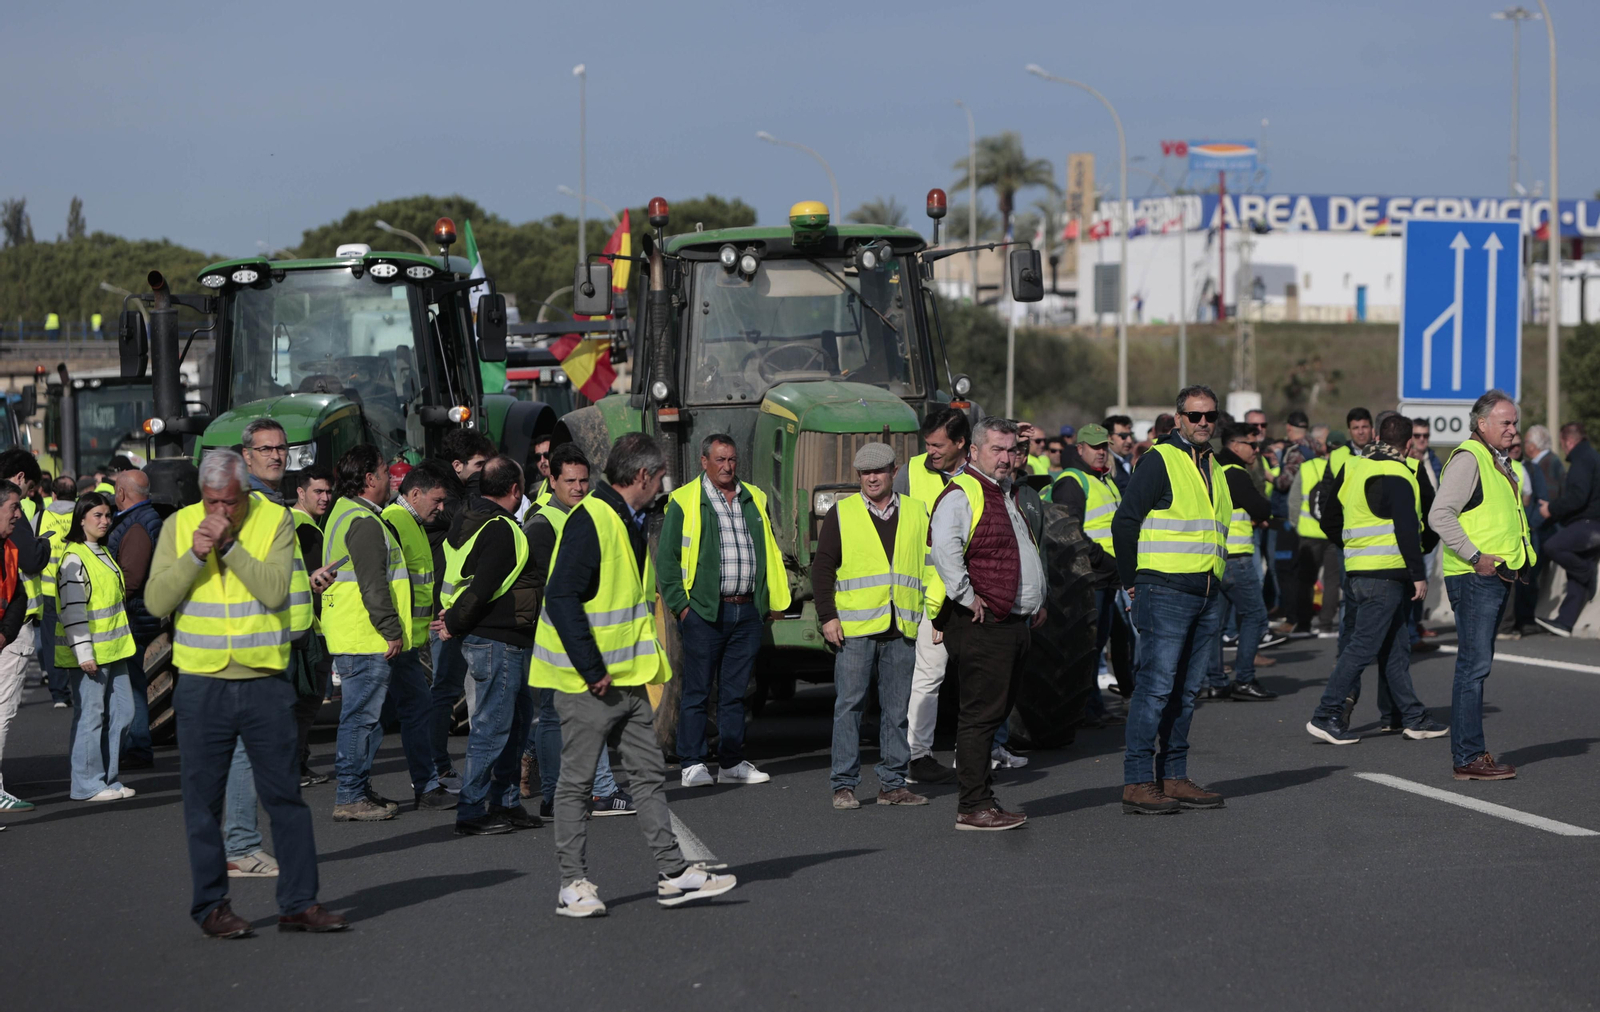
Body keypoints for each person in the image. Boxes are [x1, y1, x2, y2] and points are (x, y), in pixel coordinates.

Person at [534, 432, 738, 917]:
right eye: (661, 476)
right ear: (642, 476)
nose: (664, 484)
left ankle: (673, 873)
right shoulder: (593, 520)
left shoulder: (622, 518)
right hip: (588, 683)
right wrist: (592, 669)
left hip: (624, 679)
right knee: (576, 785)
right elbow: (560, 597)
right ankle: (572, 885)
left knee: (647, 777)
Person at [145, 449, 341, 937]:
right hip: (201, 683)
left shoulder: (274, 520)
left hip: (262, 681)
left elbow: (274, 591)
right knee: (202, 804)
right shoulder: (180, 525)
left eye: (229, 502)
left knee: (284, 797)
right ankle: (212, 907)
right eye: (211, 501)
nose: (219, 511)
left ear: (245, 492)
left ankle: (299, 903)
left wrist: (229, 546)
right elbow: (155, 600)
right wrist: (194, 555)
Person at [1112, 385, 1232, 815]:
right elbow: (1125, 523)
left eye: (1210, 415)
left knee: (1186, 692)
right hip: (1163, 589)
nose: (1203, 422)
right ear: (1178, 418)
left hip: (1206, 591)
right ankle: (1138, 781)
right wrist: (1132, 582)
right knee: (1156, 689)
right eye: (1195, 415)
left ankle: (1174, 776)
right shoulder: (1160, 459)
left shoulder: (1214, 465)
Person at [927, 416, 1044, 831]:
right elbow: (945, 548)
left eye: (1012, 450)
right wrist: (965, 596)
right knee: (979, 716)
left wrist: (1037, 599)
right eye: (997, 449)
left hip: (1012, 621)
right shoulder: (964, 492)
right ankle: (973, 806)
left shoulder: (1003, 492)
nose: (1006, 458)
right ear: (974, 451)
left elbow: (1018, 550)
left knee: (993, 715)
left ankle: (982, 800)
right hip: (984, 622)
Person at [1305, 414, 1448, 744]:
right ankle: (1326, 714)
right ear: (1408, 444)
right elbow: (1407, 528)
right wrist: (1418, 573)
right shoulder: (1399, 472)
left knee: (1396, 647)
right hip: (1385, 575)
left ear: (1377, 436)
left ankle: (1413, 717)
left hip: (1359, 572)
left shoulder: (1354, 467)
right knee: (1362, 647)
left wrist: (1355, 548)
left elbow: (1329, 519)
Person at [813, 442, 940, 810]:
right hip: (854, 629)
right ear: (858, 476)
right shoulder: (842, 513)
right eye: (865, 473)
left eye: (879, 471)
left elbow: (931, 566)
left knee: (897, 710)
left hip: (902, 626)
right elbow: (823, 568)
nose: (872, 478)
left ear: (893, 472)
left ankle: (893, 785)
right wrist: (827, 616)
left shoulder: (917, 511)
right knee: (849, 706)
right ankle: (843, 785)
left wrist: (937, 613)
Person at [659, 433, 790, 787]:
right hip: (704, 613)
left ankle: (731, 762)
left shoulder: (753, 497)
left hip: (746, 612)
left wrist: (764, 603)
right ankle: (692, 764)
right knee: (698, 691)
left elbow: (767, 551)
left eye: (731, 459)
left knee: (735, 693)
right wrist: (683, 609)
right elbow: (667, 561)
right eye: (720, 459)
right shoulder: (685, 500)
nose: (727, 466)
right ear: (704, 462)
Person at [316, 445, 431, 822]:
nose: (390, 480)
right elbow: (373, 585)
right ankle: (350, 794)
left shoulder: (348, 512)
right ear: (369, 479)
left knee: (368, 716)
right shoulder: (363, 521)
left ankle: (359, 790)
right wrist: (391, 630)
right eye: (384, 472)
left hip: (359, 633)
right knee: (361, 718)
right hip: (366, 636)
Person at [426, 456, 539, 834]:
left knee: (514, 724)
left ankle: (506, 803)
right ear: (515, 490)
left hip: (496, 638)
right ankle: (472, 810)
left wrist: (452, 620)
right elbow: (482, 587)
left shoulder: (468, 518)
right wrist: (453, 623)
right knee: (492, 728)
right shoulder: (499, 528)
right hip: (497, 640)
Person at [1428, 390, 1535, 781]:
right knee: (1472, 668)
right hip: (1476, 577)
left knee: (1475, 666)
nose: (1512, 430)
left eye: (1514, 423)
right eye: (1505, 422)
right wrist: (1475, 557)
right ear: (1482, 423)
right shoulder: (1470, 458)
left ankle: (1470, 754)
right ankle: (1468, 756)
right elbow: (1440, 515)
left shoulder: (1496, 460)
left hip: (1493, 576)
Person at [523, 444, 632, 818]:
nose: (579, 487)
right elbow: (546, 591)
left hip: (576, 634)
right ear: (551, 479)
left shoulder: (583, 516)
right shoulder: (544, 524)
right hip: (561, 636)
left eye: (584, 480)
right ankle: (592, 792)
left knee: (558, 716)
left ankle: (560, 795)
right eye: (570, 481)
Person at [895, 407, 970, 784]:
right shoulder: (910, 473)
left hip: (973, 594)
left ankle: (974, 754)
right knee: (929, 675)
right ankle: (917, 756)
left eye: (938, 445)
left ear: (961, 443)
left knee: (978, 677)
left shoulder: (979, 476)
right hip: (930, 596)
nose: (931, 452)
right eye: (927, 444)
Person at [425, 429, 498, 793]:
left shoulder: (456, 494)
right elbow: (466, 516)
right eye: (480, 465)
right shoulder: (442, 500)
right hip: (445, 612)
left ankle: (475, 768)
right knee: (446, 689)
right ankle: (438, 766)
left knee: (476, 689)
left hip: (465, 608)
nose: (486, 472)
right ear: (458, 466)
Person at [381, 463, 455, 810]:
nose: (441, 508)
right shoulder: (395, 522)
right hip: (398, 640)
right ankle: (425, 786)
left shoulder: (409, 522)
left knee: (387, 714)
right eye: (436, 500)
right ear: (414, 494)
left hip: (407, 638)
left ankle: (359, 789)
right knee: (413, 708)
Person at [56, 491, 138, 802]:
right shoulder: (75, 557)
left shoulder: (101, 551)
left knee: (124, 713)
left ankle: (108, 779)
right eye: (97, 516)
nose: (105, 521)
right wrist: (84, 654)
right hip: (92, 655)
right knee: (91, 718)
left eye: (107, 515)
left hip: (114, 650)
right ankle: (86, 784)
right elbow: (73, 611)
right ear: (81, 520)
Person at [1048, 424, 1124, 723]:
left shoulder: (1103, 479)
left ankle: (1093, 707)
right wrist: (1104, 560)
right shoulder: (1073, 481)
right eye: (1094, 446)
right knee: (1086, 647)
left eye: (1104, 446)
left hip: (1106, 577)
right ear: (1079, 449)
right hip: (1088, 578)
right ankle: (1085, 709)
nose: (1101, 451)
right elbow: (1072, 534)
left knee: (1096, 646)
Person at [1199, 424, 1280, 701]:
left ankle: (1215, 681)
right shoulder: (1235, 472)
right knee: (1256, 617)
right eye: (1252, 444)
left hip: (1216, 556)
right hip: (1236, 557)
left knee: (1215, 623)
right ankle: (1244, 679)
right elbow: (1261, 507)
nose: (1257, 450)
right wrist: (1261, 512)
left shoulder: (1213, 468)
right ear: (1235, 445)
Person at [106, 469, 162, 770]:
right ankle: (135, 744)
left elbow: (131, 578)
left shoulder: (136, 525)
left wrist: (106, 601)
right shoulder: (141, 520)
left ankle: (138, 746)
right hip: (139, 613)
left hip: (133, 617)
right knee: (131, 683)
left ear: (122, 493)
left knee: (131, 685)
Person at [286, 467, 334, 786]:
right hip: (308, 628)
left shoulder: (294, 523)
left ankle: (296, 763)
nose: (325, 498)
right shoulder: (304, 528)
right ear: (301, 493)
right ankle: (295, 766)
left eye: (328, 491)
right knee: (306, 703)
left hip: (298, 626)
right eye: (318, 491)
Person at [1533, 422, 1600, 636]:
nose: (1562, 449)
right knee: (1575, 576)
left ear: (1568, 441)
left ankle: (1587, 572)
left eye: (1562, 443)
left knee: (1553, 546)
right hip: (1591, 524)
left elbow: (1577, 496)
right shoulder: (1591, 456)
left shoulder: (1582, 459)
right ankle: (1565, 622)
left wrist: (1551, 509)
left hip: (1589, 524)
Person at [0, 482, 37, 811]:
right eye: (14, 506)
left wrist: (4, 634)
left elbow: (17, 597)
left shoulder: (9, 548)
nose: (18, 514)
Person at [1288, 425, 1341, 635]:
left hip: (1309, 534)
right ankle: (1326, 624)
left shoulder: (1307, 467)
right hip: (1333, 534)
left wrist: (1297, 525)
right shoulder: (1344, 467)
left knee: (1305, 581)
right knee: (1332, 581)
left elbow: (1294, 501)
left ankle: (1303, 624)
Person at [38, 476, 77, 707]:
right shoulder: (83, 516)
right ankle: (82, 686)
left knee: (52, 642)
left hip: (48, 590)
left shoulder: (40, 518)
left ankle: (60, 694)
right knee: (81, 636)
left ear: (53, 495)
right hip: (78, 588)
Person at [241, 418, 290, 505]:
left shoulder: (273, 498)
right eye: (265, 449)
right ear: (247, 455)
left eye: (281, 448)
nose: (276, 456)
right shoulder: (243, 503)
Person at [1328, 407, 1374, 477]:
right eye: (1356, 428)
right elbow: (1327, 483)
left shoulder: (1382, 451)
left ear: (1372, 428)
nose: (1360, 432)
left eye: (1364, 427)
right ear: (1349, 431)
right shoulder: (1336, 456)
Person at [1104, 414, 1135, 491]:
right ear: (1109, 437)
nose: (1129, 441)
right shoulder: (1104, 464)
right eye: (1123, 436)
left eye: (1131, 435)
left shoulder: (1135, 460)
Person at [527, 436, 554, 507]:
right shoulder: (543, 486)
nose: (542, 461)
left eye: (546, 455)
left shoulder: (565, 483)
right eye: (537, 457)